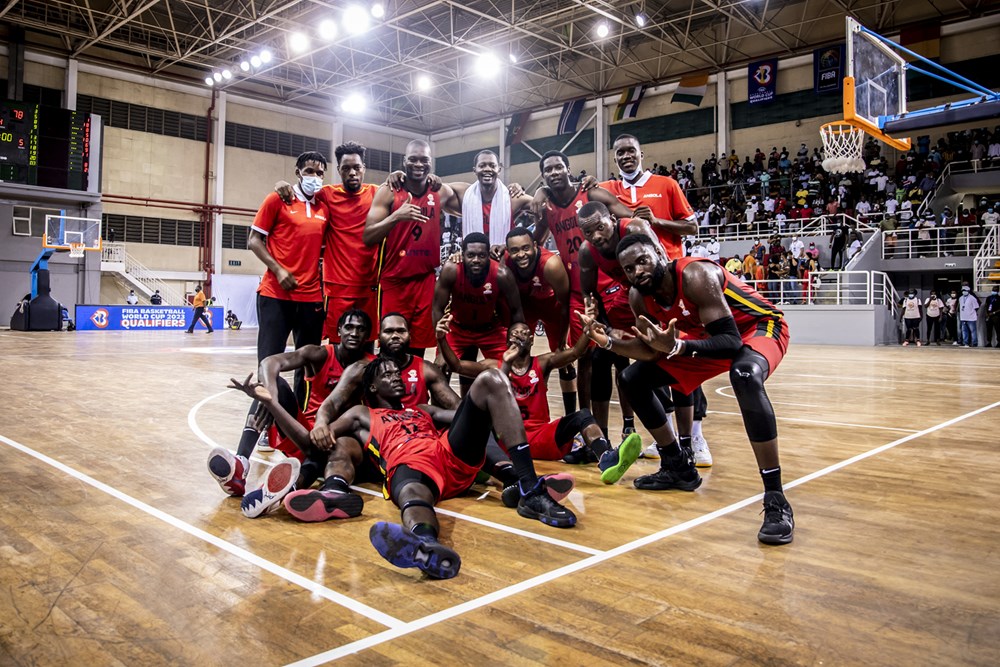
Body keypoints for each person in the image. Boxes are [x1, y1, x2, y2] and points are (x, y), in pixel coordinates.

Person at [254, 355, 579, 579]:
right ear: (371, 388)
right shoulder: (360, 415)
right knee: (411, 493)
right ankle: (426, 546)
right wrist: (271, 402)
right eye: (388, 376)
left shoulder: (421, 408)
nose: (397, 378)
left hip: (450, 454)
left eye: (398, 373)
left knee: (490, 380)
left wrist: (501, 397)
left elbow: (475, 415)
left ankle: (527, 488)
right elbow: (311, 444)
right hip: (409, 465)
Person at [579, 234, 794, 545]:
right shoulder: (639, 297)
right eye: (628, 268)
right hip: (702, 338)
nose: (637, 271)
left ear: (658, 253)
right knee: (631, 379)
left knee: (744, 375)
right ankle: (677, 465)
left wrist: (679, 346)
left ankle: (775, 497)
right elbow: (652, 350)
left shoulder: (696, 275)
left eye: (642, 260)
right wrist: (609, 341)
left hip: (755, 327)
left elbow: (731, 342)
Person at [437, 312, 641, 487]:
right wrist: (442, 339)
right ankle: (483, 463)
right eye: (514, 333)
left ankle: (607, 458)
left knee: (583, 416)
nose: (519, 335)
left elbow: (575, 353)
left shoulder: (543, 362)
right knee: (480, 422)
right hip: (508, 441)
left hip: (542, 436)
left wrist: (587, 332)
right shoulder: (493, 366)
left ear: (532, 339)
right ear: (507, 341)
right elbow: (457, 366)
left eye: (524, 332)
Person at [214, 310, 375, 522]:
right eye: (349, 327)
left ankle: (286, 487)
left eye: (361, 329)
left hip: (339, 439)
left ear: (368, 336)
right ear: (338, 331)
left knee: (320, 455)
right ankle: (242, 462)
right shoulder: (319, 354)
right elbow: (270, 363)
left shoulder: (372, 366)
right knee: (270, 388)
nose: (354, 333)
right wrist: (270, 395)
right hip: (302, 433)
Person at [365, 140, 459, 355]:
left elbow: (474, 194)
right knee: (392, 345)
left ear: (431, 163)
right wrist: (396, 217)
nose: (419, 164)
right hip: (394, 281)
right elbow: (368, 236)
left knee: (418, 347)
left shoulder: (440, 191)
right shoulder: (389, 191)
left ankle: (414, 388)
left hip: (424, 280)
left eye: (424, 160)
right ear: (404, 161)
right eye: (413, 159)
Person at [432, 232, 524, 392]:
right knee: (440, 367)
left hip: (490, 329)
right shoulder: (451, 270)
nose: (476, 260)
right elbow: (437, 308)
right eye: (471, 255)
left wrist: (518, 345)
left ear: (488, 255)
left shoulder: (502, 274)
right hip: (457, 329)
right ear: (462, 254)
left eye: (481, 255)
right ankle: (438, 415)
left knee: (514, 367)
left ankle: (506, 413)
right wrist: (441, 348)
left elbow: (517, 312)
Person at [503, 227, 577, 415]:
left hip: (552, 308)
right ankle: (518, 411)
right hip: (525, 306)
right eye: (514, 250)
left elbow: (565, 304)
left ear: (535, 246)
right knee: (515, 355)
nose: (521, 254)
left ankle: (570, 415)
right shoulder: (505, 262)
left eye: (526, 248)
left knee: (563, 360)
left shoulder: (550, 264)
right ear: (508, 251)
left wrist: (561, 342)